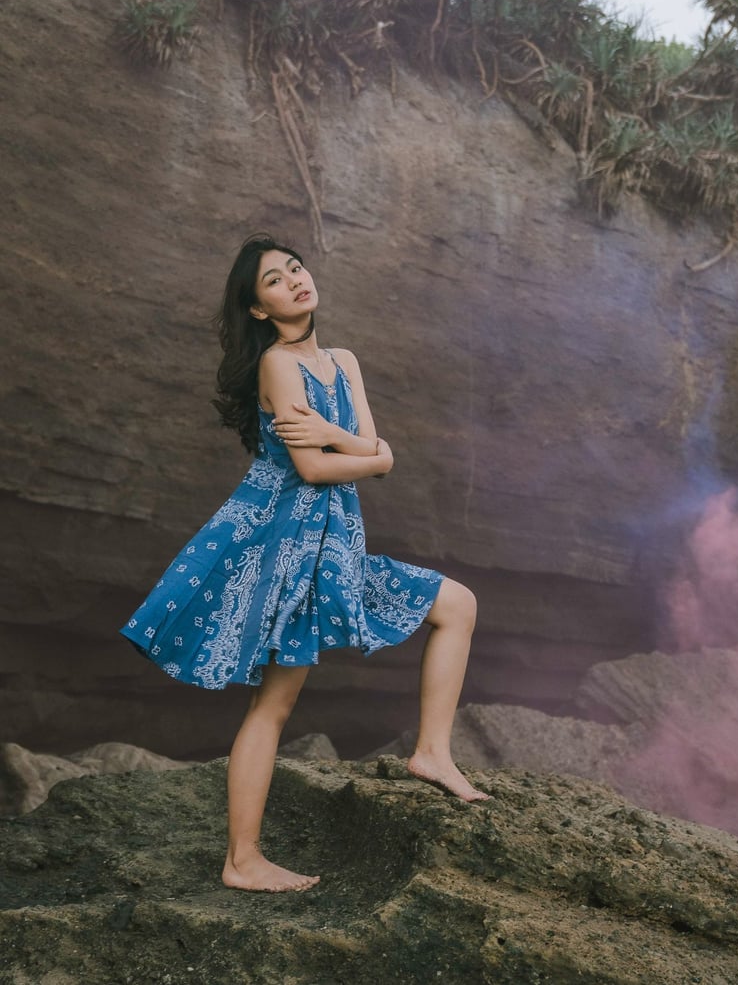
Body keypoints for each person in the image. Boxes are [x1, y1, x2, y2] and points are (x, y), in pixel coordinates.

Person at [120, 233, 488, 894]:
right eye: (274, 280)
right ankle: (242, 859)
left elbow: (373, 452)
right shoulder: (277, 365)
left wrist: (351, 442)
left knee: (457, 604)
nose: (294, 280)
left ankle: (433, 752)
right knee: (274, 704)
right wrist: (368, 452)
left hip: (335, 549)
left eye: (295, 267)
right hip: (288, 549)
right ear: (258, 308)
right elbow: (319, 468)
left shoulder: (344, 361)